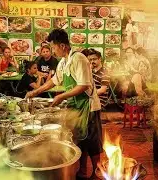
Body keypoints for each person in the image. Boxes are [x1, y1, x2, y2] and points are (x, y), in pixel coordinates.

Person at [25, 29, 101, 179]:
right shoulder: (64, 62)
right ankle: (83, 171)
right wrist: (35, 92)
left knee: (93, 144)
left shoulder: (78, 58)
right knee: (80, 140)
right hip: (76, 107)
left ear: (63, 46)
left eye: (53, 47)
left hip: (89, 107)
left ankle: (97, 173)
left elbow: (84, 85)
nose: (52, 51)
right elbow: (54, 81)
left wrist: (61, 97)